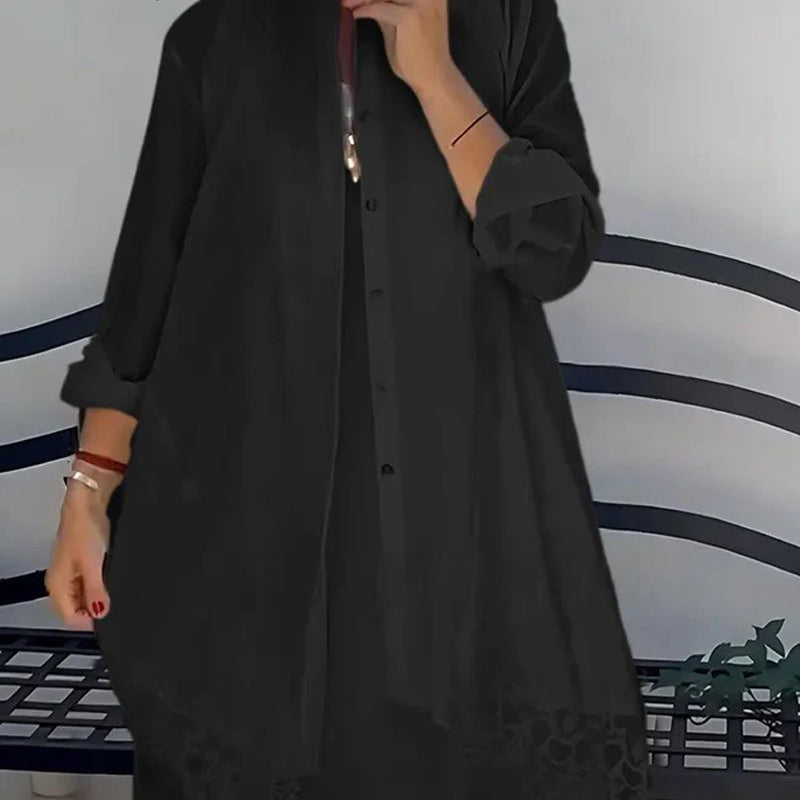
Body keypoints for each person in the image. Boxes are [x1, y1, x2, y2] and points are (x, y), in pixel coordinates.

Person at [47, 0, 651, 797]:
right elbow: (143, 294)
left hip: (464, 540)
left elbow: (555, 252)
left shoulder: (507, 20)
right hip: (251, 540)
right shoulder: (215, 37)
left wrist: (436, 80)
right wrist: (89, 489)